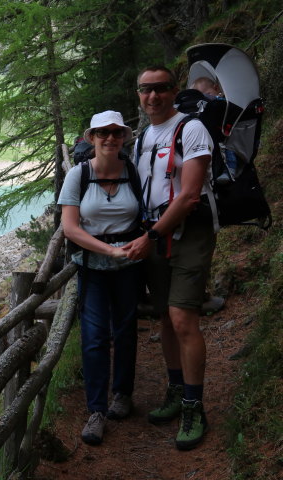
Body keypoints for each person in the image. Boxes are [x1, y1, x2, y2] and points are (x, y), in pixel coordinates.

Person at [122, 66, 216, 450]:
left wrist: (151, 236)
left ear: (174, 91)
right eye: (146, 90)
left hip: (188, 232)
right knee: (164, 315)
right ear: (139, 95)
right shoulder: (143, 136)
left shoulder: (192, 129)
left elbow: (190, 194)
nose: (153, 97)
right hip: (154, 232)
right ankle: (176, 389)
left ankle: (195, 405)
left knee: (182, 316)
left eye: (160, 89)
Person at [58, 110, 143, 445]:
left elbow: (147, 212)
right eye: (102, 133)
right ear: (91, 138)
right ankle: (96, 410)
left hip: (130, 266)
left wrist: (139, 245)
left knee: (125, 329)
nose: (110, 139)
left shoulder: (134, 173)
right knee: (94, 336)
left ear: (123, 137)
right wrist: (110, 252)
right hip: (93, 267)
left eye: (116, 133)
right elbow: (70, 228)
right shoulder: (78, 176)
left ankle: (122, 394)